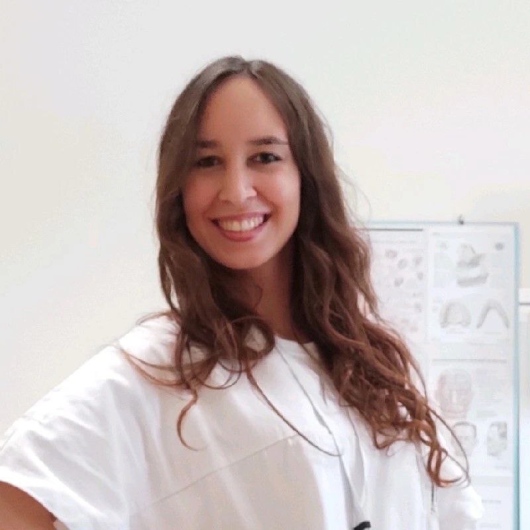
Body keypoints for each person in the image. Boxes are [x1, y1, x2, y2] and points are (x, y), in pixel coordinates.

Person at [0, 56, 483, 529]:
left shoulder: (373, 363)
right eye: (207, 162)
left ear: (305, 176)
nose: (235, 190)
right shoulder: (153, 371)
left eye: (264, 157)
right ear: (180, 188)